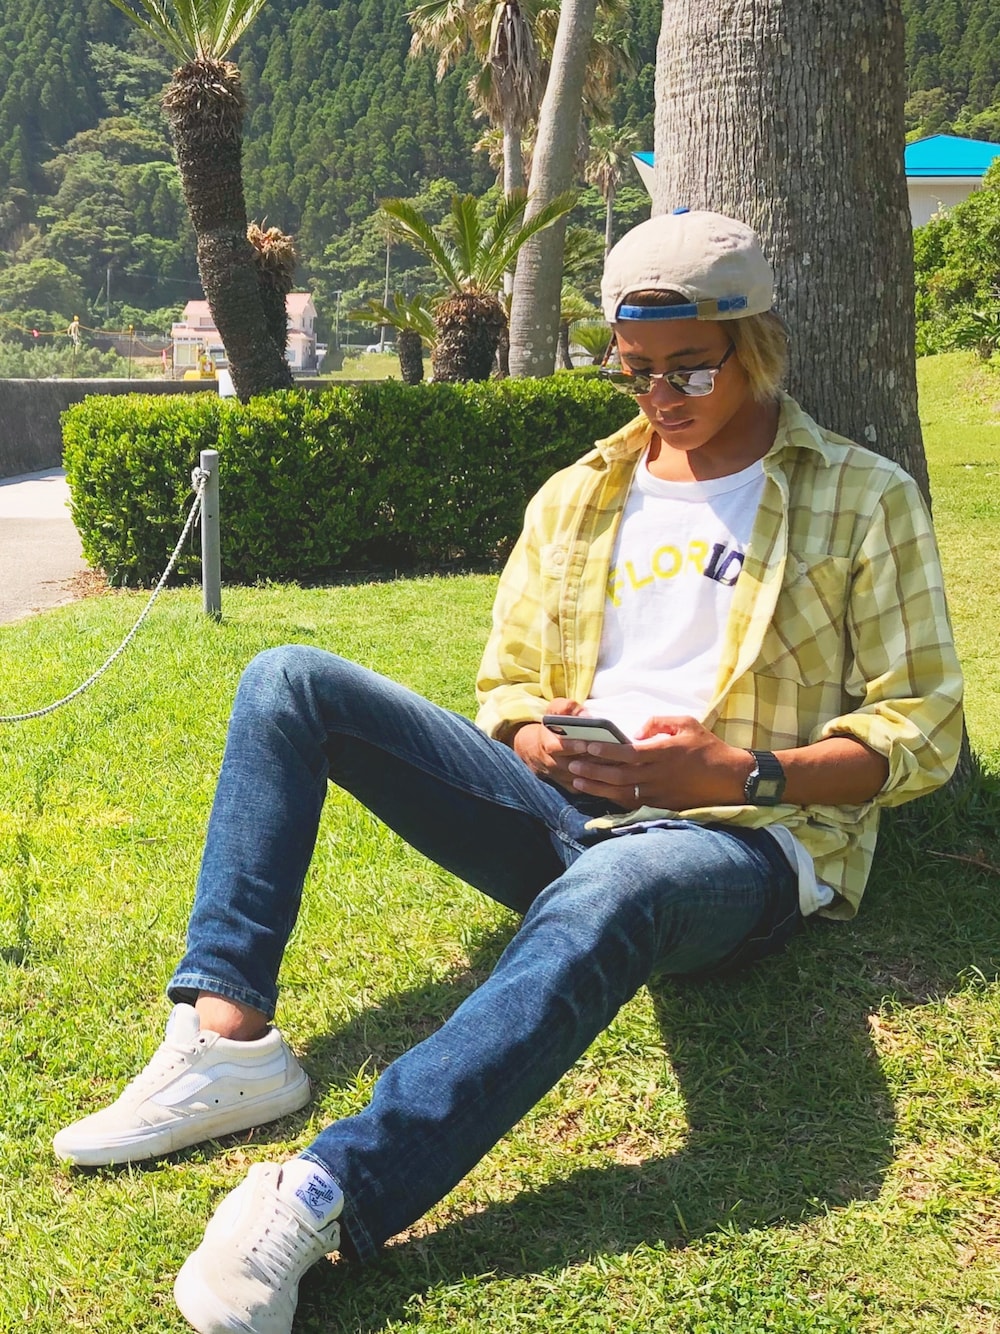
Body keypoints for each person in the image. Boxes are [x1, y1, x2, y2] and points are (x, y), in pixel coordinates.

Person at [54, 211, 963, 1334]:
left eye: (690, 367)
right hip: (561, 809)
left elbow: (923, 726)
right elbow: (509, 682)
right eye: (634, 370)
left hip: (736, 845)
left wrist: (739, 771)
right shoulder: (581, 490)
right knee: (288, 679)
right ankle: (228, 1041)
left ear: (756, 346)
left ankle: (330, 1188)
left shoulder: (862, 495)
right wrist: (531, 735)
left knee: (624, 880)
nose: (661, 395)